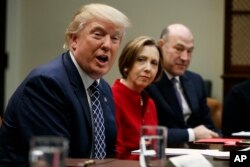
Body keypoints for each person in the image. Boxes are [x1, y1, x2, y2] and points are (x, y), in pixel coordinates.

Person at [0, 3, 130, 166]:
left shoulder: (103, 88)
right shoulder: (46, 84)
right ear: (74, 40)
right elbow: (54, 160)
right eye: (98, 35)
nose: (107, 45)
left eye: (114, 38)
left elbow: (109, 154)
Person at [146, 23, 220, 146]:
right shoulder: (148, 80)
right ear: (161, 46)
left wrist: (222, 140)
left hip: (198, 154)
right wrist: (191, 134)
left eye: (189, 51)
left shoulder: (196, 81)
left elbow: (208, 126)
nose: (185, 57)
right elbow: (150, 132)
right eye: (179, 49)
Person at [112, 36, 163, 160]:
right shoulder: (112, 97)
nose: (148, 68)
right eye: (141, 60)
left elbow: (155, 151)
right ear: (127, 65)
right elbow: (115, 155)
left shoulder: (150, 103)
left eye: (154, 63)